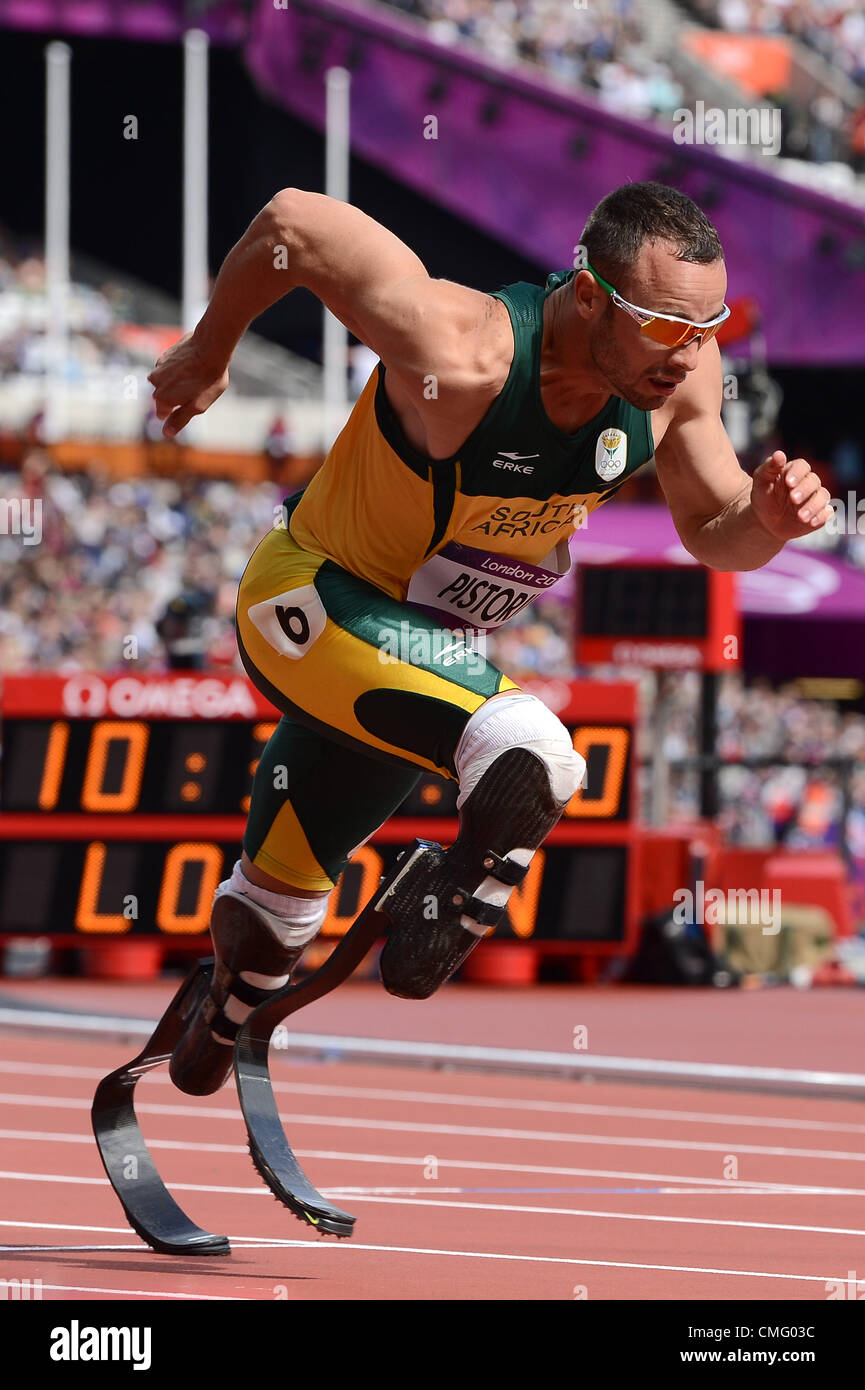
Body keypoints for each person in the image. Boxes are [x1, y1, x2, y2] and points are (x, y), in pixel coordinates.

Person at [148, 181, 831, 1095]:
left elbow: (716, 533)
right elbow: (291, 222)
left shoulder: (678, 380)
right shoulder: (461, 350)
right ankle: (439, 908)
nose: (691, 353)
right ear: (588, 293)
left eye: (709, 328)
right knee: (535, 749)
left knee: (279, 908)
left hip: (422, 646)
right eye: (667, 325)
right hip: (311, 599)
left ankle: (219, 1016)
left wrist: (772, 520)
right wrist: (208, 347)